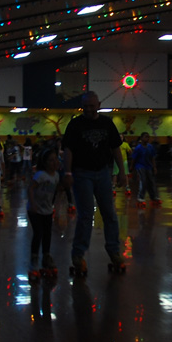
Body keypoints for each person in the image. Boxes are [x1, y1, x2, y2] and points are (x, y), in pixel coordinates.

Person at [61, 91, 126, 274]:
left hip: (104, 173)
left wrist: (122, 172)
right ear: (82, 106)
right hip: (82, 174)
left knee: (110, 214)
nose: (89, 109)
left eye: (92, 105)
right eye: (85, 106)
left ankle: (114, 251)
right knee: (85, 215)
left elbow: (116, 149)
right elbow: (68, 150)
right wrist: (67, 172)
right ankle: (78, 254)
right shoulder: (75, 124)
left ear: (99, 104)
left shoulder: (107, 123)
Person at [28, 147, 62, 277]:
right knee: (38, 233)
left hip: (47, 210)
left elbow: (56, 192)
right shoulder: (40, 175)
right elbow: (30, 188)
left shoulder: (57, 176)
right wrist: (32, 204)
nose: (54, 163)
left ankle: (46, 257)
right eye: (51, 160)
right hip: (35, 210)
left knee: (47, 234)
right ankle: (34, 260)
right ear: (45, 162)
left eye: (56, 160)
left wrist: (56, 207)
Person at [133, 132, 160, 207]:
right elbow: (134, 158)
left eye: (148, 137)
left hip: (148, 166)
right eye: (145, 137)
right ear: (141, 138)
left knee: (151, 181)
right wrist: (132, 167)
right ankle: (140, 197)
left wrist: (154, 167)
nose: (147, 139)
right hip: (140, 166)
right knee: (143, 180)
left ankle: (153, 197)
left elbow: (152, 157)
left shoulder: (150, 147)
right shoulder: (138, 148)